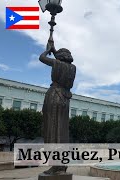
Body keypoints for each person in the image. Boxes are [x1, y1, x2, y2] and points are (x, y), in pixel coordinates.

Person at [39, 40, 76, 174]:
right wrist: (54, 50)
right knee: (61, 130)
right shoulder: (73, 67)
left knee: (52, 129)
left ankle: (56, 165)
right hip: (65, 98)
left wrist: (48, 50)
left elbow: (42, 58)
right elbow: (59, 60)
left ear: (60, 57)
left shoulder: (57, 63)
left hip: (54, 95)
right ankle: (61, 165)